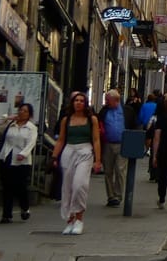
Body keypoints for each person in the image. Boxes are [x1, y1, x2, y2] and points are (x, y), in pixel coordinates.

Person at [50, 92, 102, 235]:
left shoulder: (92, 119)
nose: (78, 103)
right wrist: (54, 157)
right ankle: (70, 220)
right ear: (72, 103)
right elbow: (61, 139)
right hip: (69, 151)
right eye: (76, 100)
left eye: (81, 100)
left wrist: (98, 160)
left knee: (79, 185)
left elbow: (96, 140)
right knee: (67, 188)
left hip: (85, 151)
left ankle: (79, 219)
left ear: (85, 103)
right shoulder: (66, 120)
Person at [0, 102, 38, 223]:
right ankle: (6, 214)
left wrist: (23, 154)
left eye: (25, 111)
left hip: (22, 161)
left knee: (20, 187)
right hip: (7, 157)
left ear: (29, 114)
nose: (22, 113)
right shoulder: (10, 125)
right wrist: (6, 117)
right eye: (20, 110)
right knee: (6, 186)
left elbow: (31, 142)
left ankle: (24, 207)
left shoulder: (31, 127)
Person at [98, 89, 127, 207]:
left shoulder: (126, 110)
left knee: (120, 171)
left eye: (108, 100)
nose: (106, 102)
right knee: (108, 171)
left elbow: (134, 124)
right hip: (107, 144)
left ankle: (118, 195)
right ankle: (111, 196)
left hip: (122, 144)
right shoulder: (104, 111)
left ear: (116, 100)